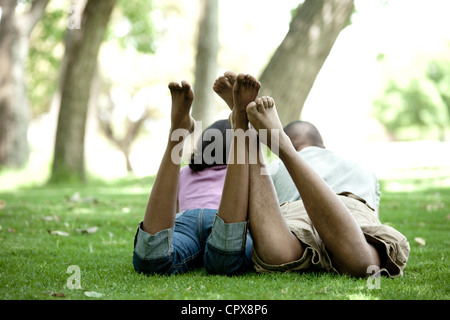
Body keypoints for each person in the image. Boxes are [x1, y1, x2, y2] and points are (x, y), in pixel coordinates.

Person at [212, 71, 409, 278]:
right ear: (323, 146)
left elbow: (253, 209)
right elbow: (374, 218)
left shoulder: (275, 169)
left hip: (293, 219)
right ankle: (282, 147)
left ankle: (245, 132)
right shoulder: (360, 167)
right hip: (349, 217)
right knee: (363, 264)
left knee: (277, 255)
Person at [133, 80, 253, 276]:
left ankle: (177, 133)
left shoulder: (186, 173)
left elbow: (173, 209)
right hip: (221, 217)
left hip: (185, 219)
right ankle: (241, 125)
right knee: (227, 259)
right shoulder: (244, 177)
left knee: (153, 260)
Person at [270, 120, 381, 217]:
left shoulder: (276, 167)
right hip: (362, 225)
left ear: (286, 148)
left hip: (302, 227)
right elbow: (375, 217)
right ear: (323, 146)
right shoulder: (364, 168)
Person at [177, 119, 231, 212]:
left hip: (186, 218)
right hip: (218, 218)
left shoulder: (184, 172)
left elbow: (175, 208)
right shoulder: (237, 175)